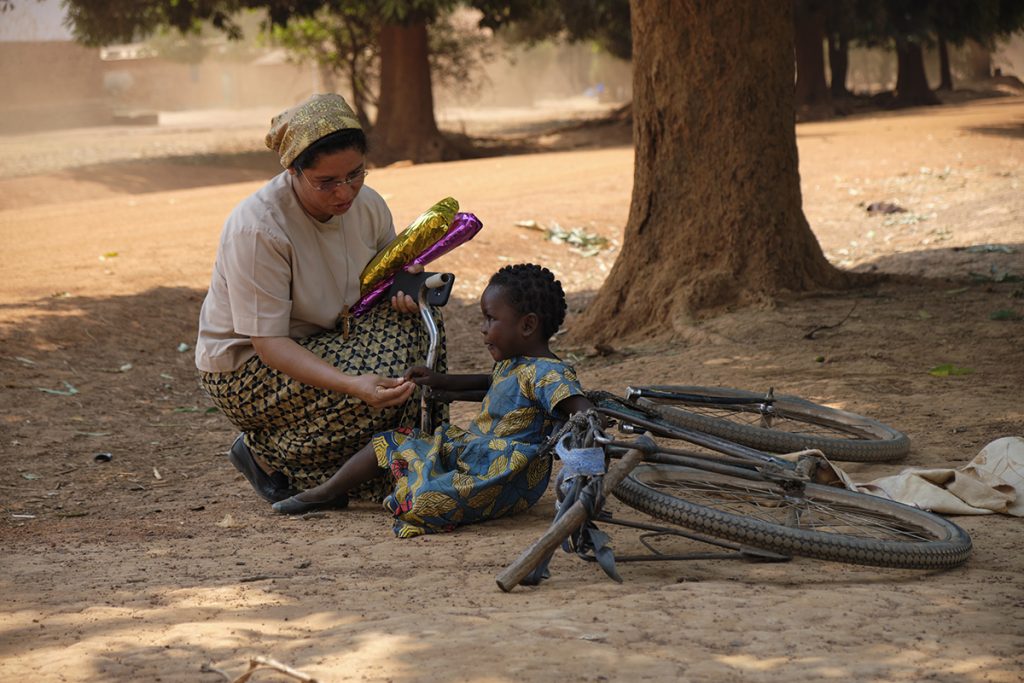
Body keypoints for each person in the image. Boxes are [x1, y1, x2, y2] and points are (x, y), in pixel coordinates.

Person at [195, 93, 444, 505]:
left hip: (327, 336)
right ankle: (268, 456)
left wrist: (406, 286)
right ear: (293, 171)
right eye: (326, 182)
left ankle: (401, 460)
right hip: (246, 367)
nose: (345, 192)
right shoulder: (258, 228)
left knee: (421, 335)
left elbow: (385, 280)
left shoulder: (369, 205)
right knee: (377, 383)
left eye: (355, 174)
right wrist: (352, 384)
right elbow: (270, 344)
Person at [272, 264, 594, 538]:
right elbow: (491, 385)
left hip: (504, 475)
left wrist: (583, 447)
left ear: (527, 325)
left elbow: (583, 411)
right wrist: (440, 382)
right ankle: (326, 493)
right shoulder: (516, 363)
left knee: (424, 498)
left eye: (490, 319)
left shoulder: (551, 374)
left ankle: (409, 494)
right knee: (392, 442)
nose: (483, 330)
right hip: (476, 455)